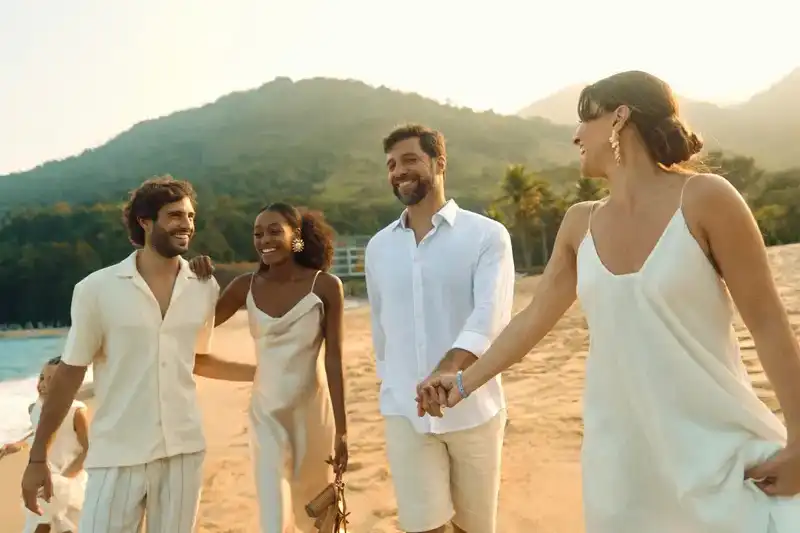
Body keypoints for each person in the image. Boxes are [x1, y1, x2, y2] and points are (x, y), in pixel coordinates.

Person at [417, 70, 800, 532]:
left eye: (586, 119)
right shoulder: (580, 224)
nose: (576, 135)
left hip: (715, 446)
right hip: (621, 460)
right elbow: (530, 323)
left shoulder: (706, 199)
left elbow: (769, 324)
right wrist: (460, 383)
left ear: (620, 118)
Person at [20, 176, 255, 533]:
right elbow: (70, 373)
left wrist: (262, 371)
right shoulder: (96, 289)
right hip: (118, 453)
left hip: (183, 450)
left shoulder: (203, 286)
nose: (187, 225)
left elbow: (195, 358)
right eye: (175, 216)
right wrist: (38, 456)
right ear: (144, 221)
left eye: (191, 217)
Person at [365, 124, 515, 533]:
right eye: (392, 164)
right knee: (423, 527)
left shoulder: (487, 236)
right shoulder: (378, 247)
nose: (398, 171)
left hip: (473, 409)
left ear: (439, 162)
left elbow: (490, 314)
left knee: (473, 529)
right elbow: (381, 326)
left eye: (410, 159)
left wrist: (447, 370)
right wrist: (391, 383)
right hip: (405, 411)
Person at [188, 202, 348, 533]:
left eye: (275, 230)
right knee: (273, 515)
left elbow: (334, 359)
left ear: (297, 236)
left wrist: (343, 430)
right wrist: (195, 281)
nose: (264, 239)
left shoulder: (326, 287)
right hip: (266, 415)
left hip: (314, 415)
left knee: (318, 515)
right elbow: (193, 330)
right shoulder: (245, 286)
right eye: (257, 233)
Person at [1, 357, 88, 533]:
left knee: (63, 525)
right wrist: (18, 445)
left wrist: (65, 478)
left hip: (68, 477)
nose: (43, 384)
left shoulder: (77, 411)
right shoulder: (34, 408)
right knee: (41, 521)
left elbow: (88, 449)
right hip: (43, 476)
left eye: (51, 380)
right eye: (41, 378)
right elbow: (38, 435)